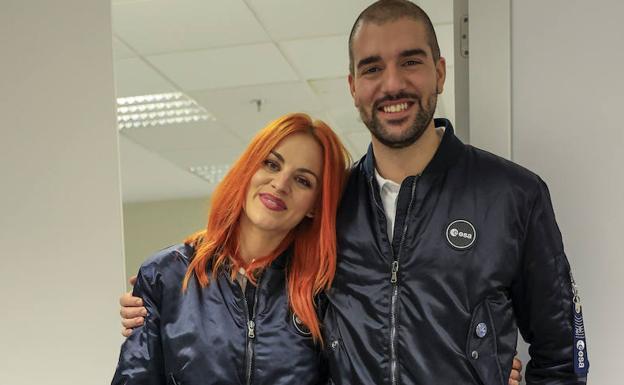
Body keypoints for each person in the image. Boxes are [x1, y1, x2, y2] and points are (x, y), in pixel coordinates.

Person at [119, 0, 592, 384]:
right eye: (372, 69)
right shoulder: (329, 202)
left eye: (411, 61)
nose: (392, 84)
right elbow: (252, 277)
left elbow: (561, 358)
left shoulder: (512, 196)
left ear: (440, 72)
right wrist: (161, 298)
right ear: (352, 86)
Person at [112, 113, 350, 385]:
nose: (280, 184)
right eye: (271, 164)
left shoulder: (324, 293)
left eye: (303, 180)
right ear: (249, 169)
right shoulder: (166, 274)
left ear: (315, 207)